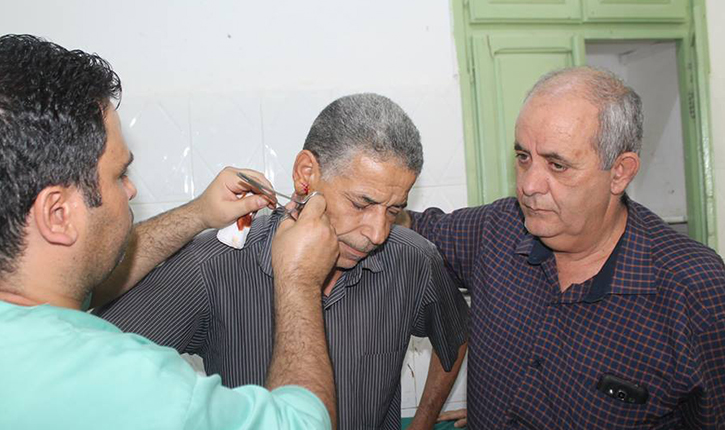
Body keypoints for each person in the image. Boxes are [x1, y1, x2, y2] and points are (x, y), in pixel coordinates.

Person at [0, 34, 341, 430]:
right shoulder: (131, 382)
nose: (131, 190)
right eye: (119, 174)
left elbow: (84, 274)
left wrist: (199, 213)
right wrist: (299, 280)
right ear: (58, 215)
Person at [95, 93, 470, 430]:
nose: (377, 233)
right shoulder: (212, 265)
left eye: (393, 210)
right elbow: (97, 361)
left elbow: (456, 337)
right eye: (361, 204)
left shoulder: (412, 259)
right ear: (307, 174)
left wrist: (422, 422)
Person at [398, 66, 725, 429]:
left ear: (620, 172)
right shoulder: (496, 230)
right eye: (523, 157)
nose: (529, 186)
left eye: (557, 165)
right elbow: (406, 225)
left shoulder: (695, 288)